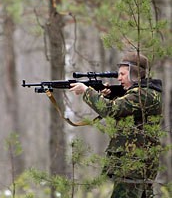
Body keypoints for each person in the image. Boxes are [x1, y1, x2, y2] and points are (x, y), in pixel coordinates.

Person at [69, 52, 163, 198]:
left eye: (123, 74)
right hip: (133, 165)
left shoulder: (144, 94)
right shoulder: (143, 93)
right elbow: (122, 108)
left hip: (134, 165)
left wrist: (87, 91)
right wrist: (105, 96)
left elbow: (111, 109)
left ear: (135, 74)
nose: (119, 78)